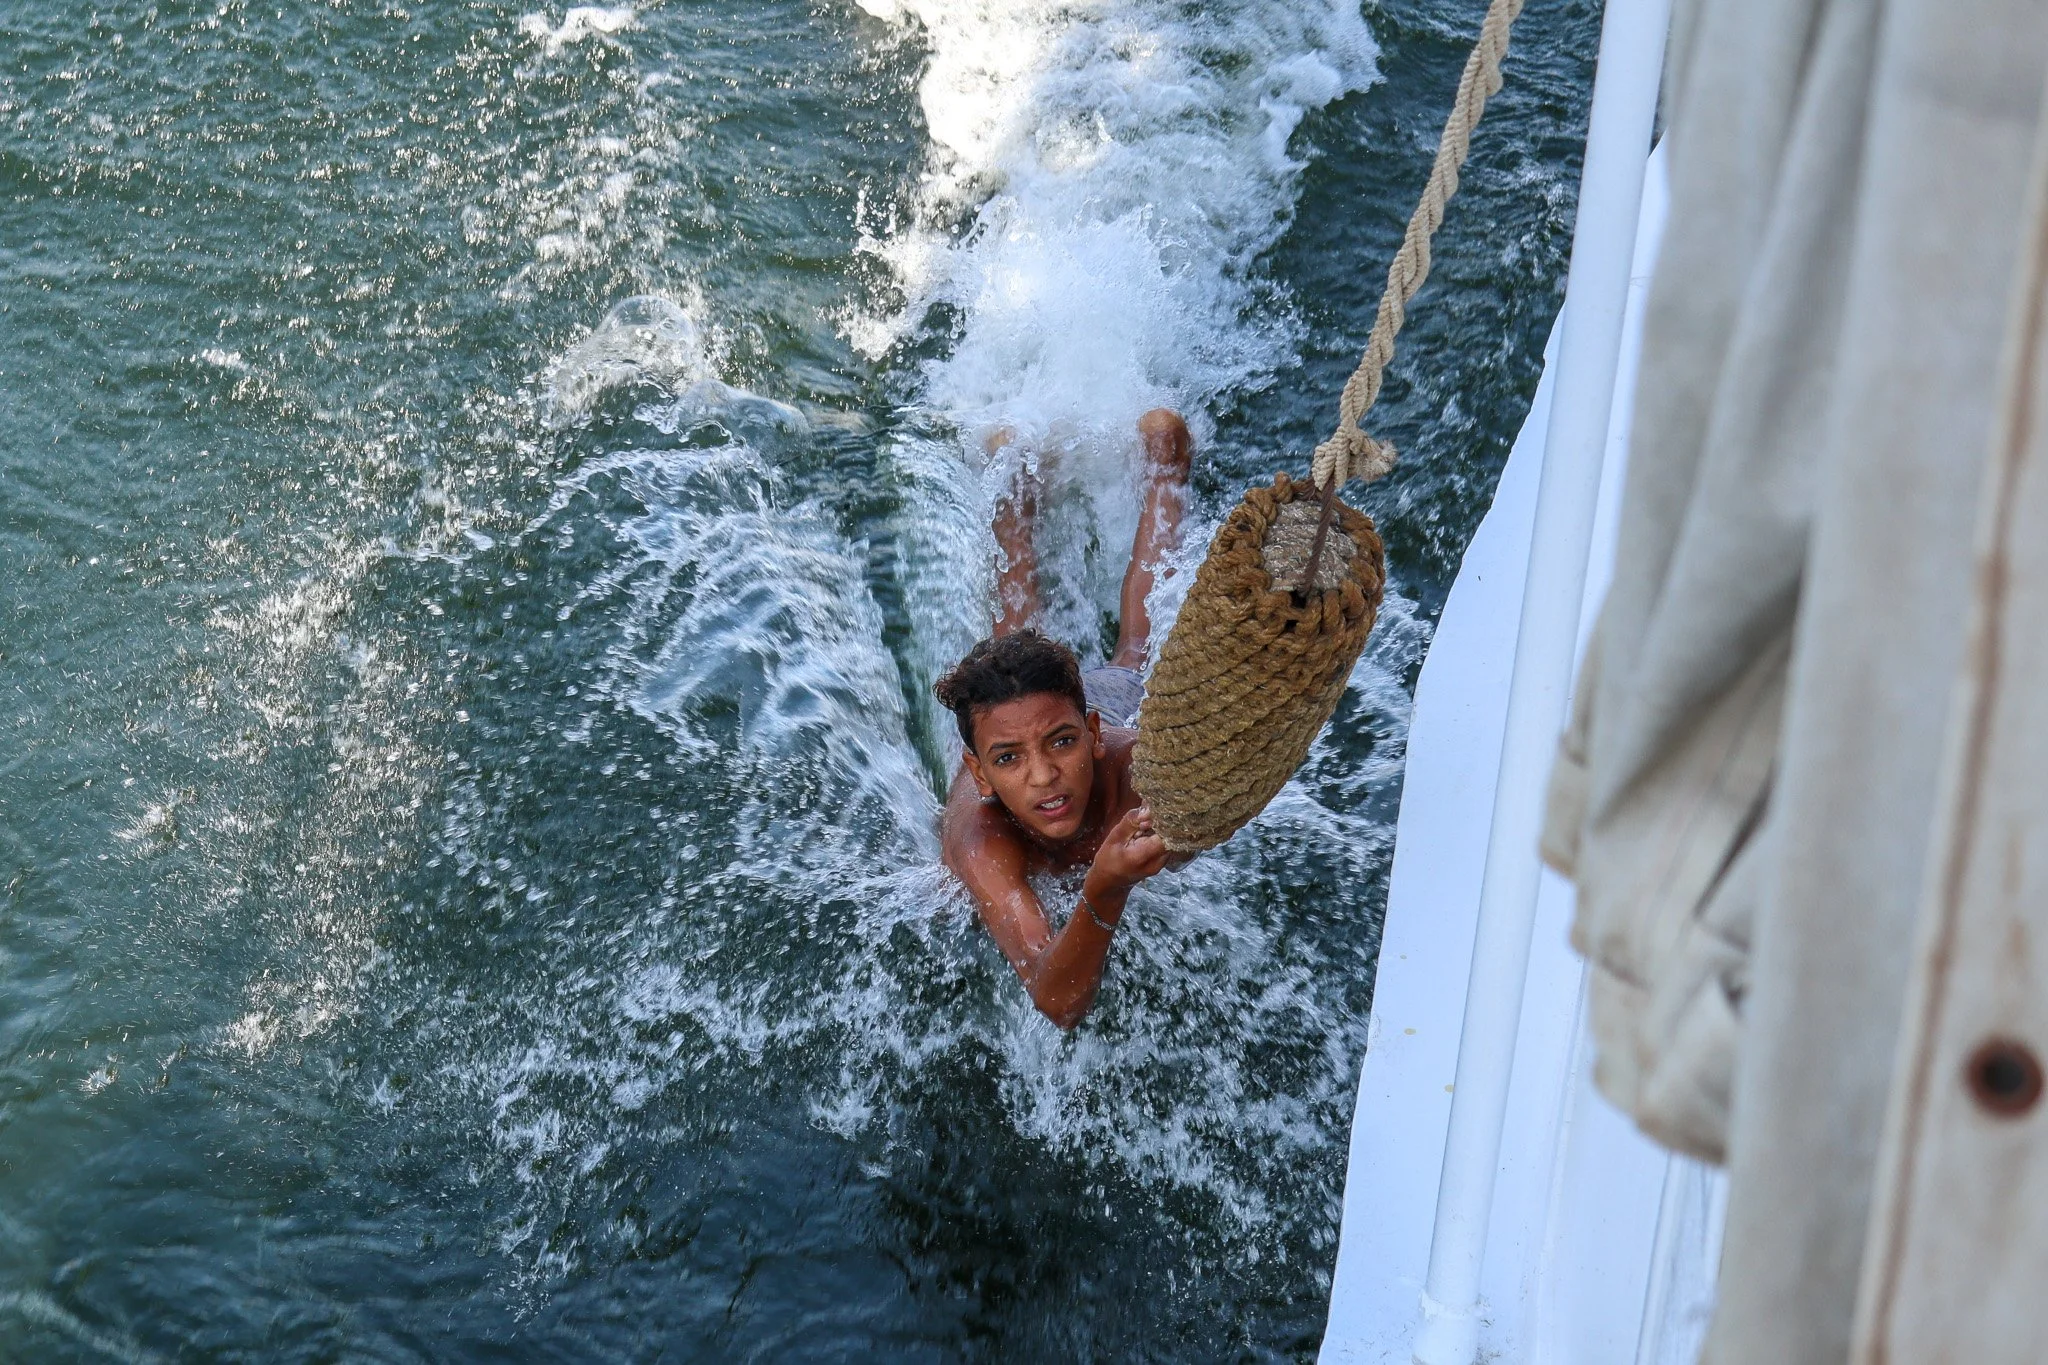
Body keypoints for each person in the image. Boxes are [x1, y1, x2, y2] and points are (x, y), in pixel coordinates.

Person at [934, 408, 1192, 1028]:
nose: (1045, 776)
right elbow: (1056, 999)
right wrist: (1104, 888)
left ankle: (1168, 462)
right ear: (982, 773)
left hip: (1117, 693)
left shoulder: (1138, 766)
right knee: (1015, 635)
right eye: (1008, 761)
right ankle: (1015, 472)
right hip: (1038, 713)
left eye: (1063, 744)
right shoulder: (980, 839)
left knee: (1140, 648)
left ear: (1094, 735)